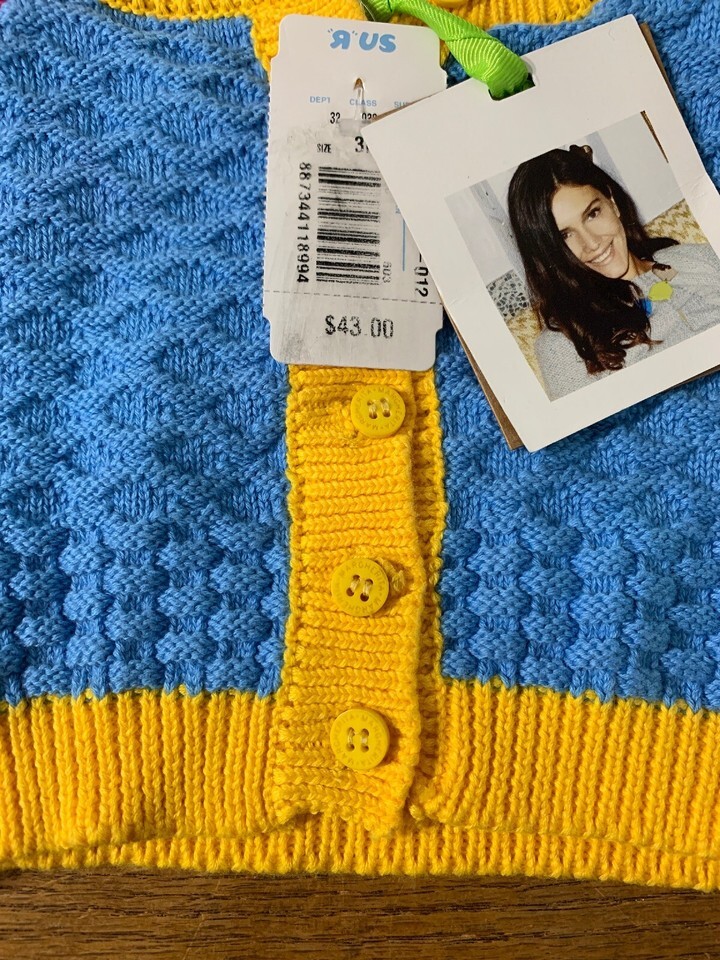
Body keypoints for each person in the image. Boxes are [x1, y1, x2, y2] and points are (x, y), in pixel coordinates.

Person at [507, 144, 720, 400]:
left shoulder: (694, 258)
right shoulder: (562, 344)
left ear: (613, 202)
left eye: (592, 214)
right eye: (565, 235)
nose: (592, 243)